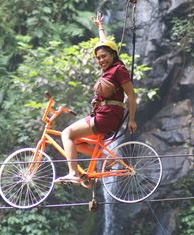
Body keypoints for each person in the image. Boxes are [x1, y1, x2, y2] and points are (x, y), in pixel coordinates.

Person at [55, 11, 137, 185]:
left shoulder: (118, 70)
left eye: (104, 56)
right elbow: (104, 44)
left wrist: (131, 120)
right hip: (104, 114)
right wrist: (100, 28)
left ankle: (74, 174)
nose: (101, 60)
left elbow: (131, 94)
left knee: (67, 133)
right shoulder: (108, 71)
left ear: (113, 55)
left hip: (107, 115)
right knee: (75, 143)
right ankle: (107, 159)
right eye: (98, 58)